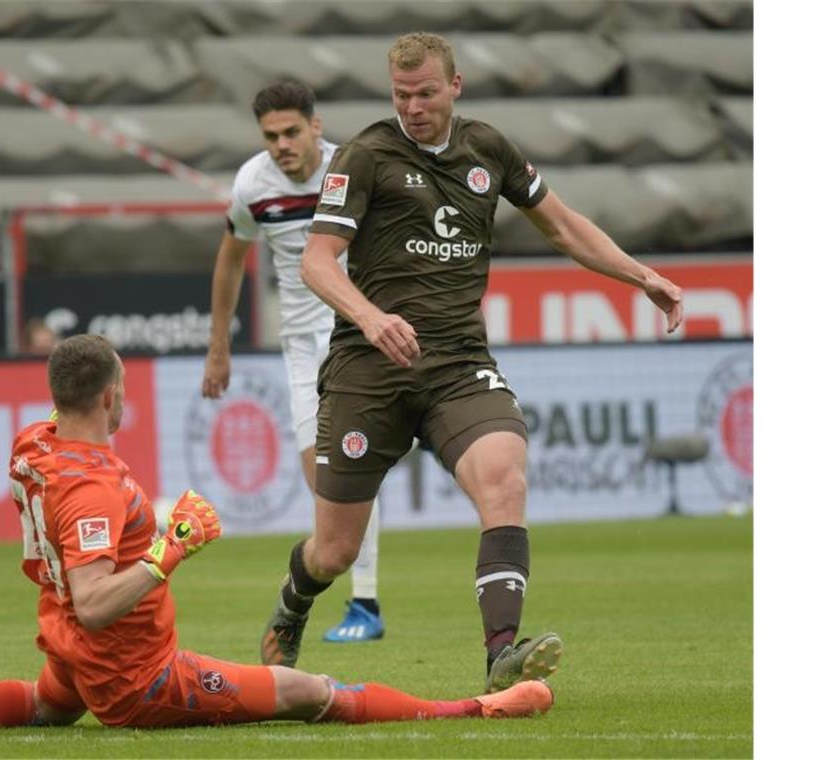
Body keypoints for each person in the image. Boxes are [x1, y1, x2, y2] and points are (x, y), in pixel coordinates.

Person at [0, 334, 553, 738]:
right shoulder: (92, 484)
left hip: (68, 646)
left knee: (47, 705)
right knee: (311, 692)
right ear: (109, 396)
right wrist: (172, 547)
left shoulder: (34, 445)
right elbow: (97, 599)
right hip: (136, 675)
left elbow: (77, 566)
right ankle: (479, 708)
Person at [259, 32, 684, 693]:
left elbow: (564, 227)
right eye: (402, 96)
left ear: (454, 86)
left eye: (426, 93)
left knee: (504, 481)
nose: (413, 107)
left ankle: (501, 660)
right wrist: (371, 317)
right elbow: (317, 261)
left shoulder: (489, 149)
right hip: (368, 367)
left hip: (457, 362)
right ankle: (293, 602)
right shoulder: (366, 155)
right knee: (335, 550)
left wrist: (642, 276)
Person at [202, 79, 387, 643]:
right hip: (305, 350)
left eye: (291, 131)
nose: (281, 144)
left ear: (316, 126)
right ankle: (362, 603)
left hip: (362, 335)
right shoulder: (252, 185)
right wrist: (219, 347)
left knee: (350, 466)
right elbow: (230, 261)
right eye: (270, 135)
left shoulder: (353, 168)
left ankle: (365, 604)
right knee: (327, 482)